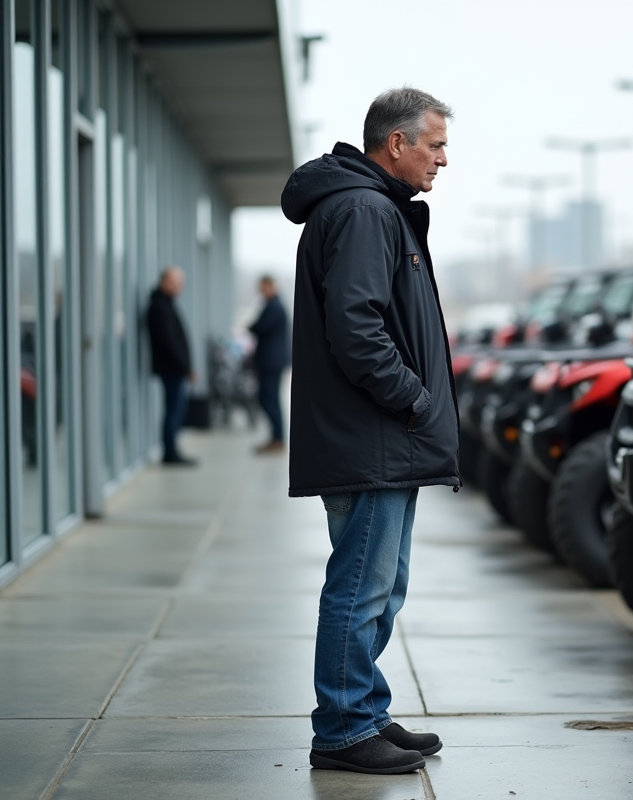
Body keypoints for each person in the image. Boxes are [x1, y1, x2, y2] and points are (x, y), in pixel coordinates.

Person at [281, 87, 459, 775]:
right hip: (374, 438)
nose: (443, 160)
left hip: (381, 441)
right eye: (435, 145)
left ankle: (365, 709)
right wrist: (414, 401)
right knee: (360, 586)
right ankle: (344, 729)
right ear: (397, 144)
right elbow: (357, 330)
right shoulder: (362, 209)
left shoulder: (373, 207)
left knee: (380, 585)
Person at [147, 265, 196, 466]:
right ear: (164, 281)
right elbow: (169, 342)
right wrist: (185, 367)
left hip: (173, 368)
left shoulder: (165, 303)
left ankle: (172, 450)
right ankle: (170, 452)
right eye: (175, 282)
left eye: (181, 283)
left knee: (175, 409)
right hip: (171, 369)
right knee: (173, 410)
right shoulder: (160, 306)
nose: (179, 287)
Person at [248, 275, 290, 453]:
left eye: (263, 288)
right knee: (268, 399)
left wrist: (253, 325)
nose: (261, 292)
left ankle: (277, 439)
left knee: (269, 399)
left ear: (271, 287)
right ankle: (275, 437)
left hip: (271, 362)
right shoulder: (273, 306)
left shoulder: (274, 307)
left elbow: (258, 327)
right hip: (271, 361)